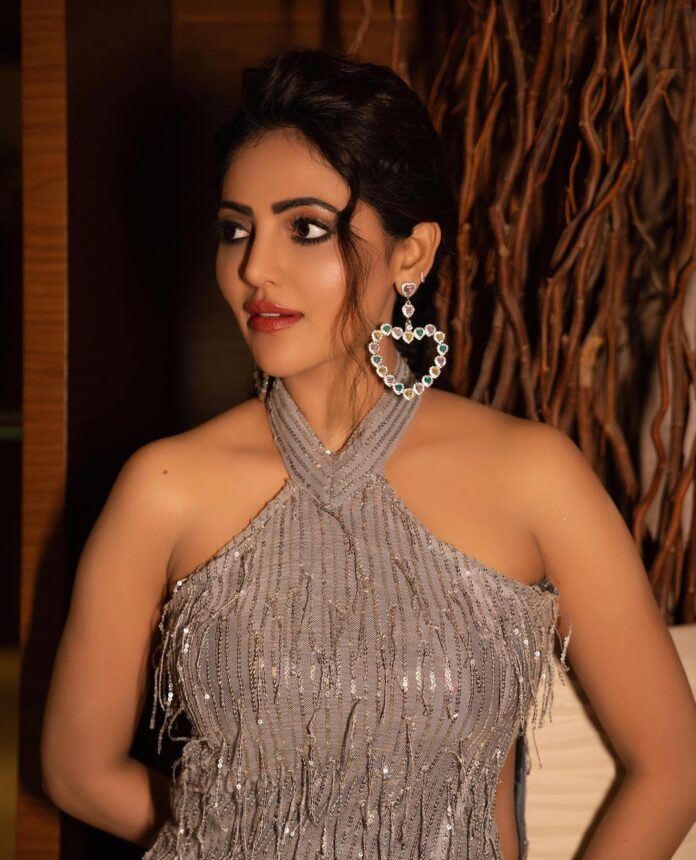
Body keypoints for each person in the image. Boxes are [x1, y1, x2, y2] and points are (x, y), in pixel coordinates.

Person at [41, 47, 696, 859]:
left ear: (411, 254)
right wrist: (242, 835)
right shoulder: (165, 486)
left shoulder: (533, 476)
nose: (254, 268)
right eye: (235, 230)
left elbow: (674, 768)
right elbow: (77, 771)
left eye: (306, 228)